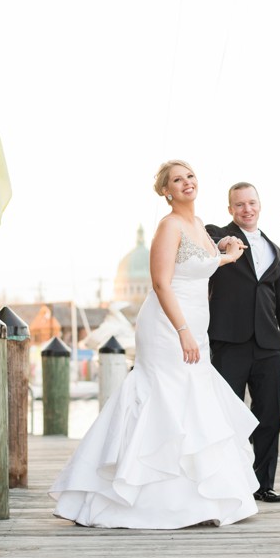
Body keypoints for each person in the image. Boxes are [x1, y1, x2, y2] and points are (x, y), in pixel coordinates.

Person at [50, 160, 257, 528]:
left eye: (190, 176)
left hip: (196, 323)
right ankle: (131, 495)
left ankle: (196, 498)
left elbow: (200, 266)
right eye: (178, 180)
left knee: (193, 398)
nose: (187, 182)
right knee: (163, 394)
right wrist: (182, 331)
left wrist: (225, 253)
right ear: (167, 191)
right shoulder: (169, 225)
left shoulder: (198, 224)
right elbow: (162, 283)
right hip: (167, 325)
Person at [206, 182, 280, 504]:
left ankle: (264, 484)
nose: (246, 209)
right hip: (228, 341)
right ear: (230, 209)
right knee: (228, 416)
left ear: (259, 205)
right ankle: (229, 482)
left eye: (251, 203)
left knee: (269, 416)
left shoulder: (276, 250)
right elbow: (213, 242)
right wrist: (226, 242)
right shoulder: (218, 234)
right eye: (239, 205)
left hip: (267, 345)